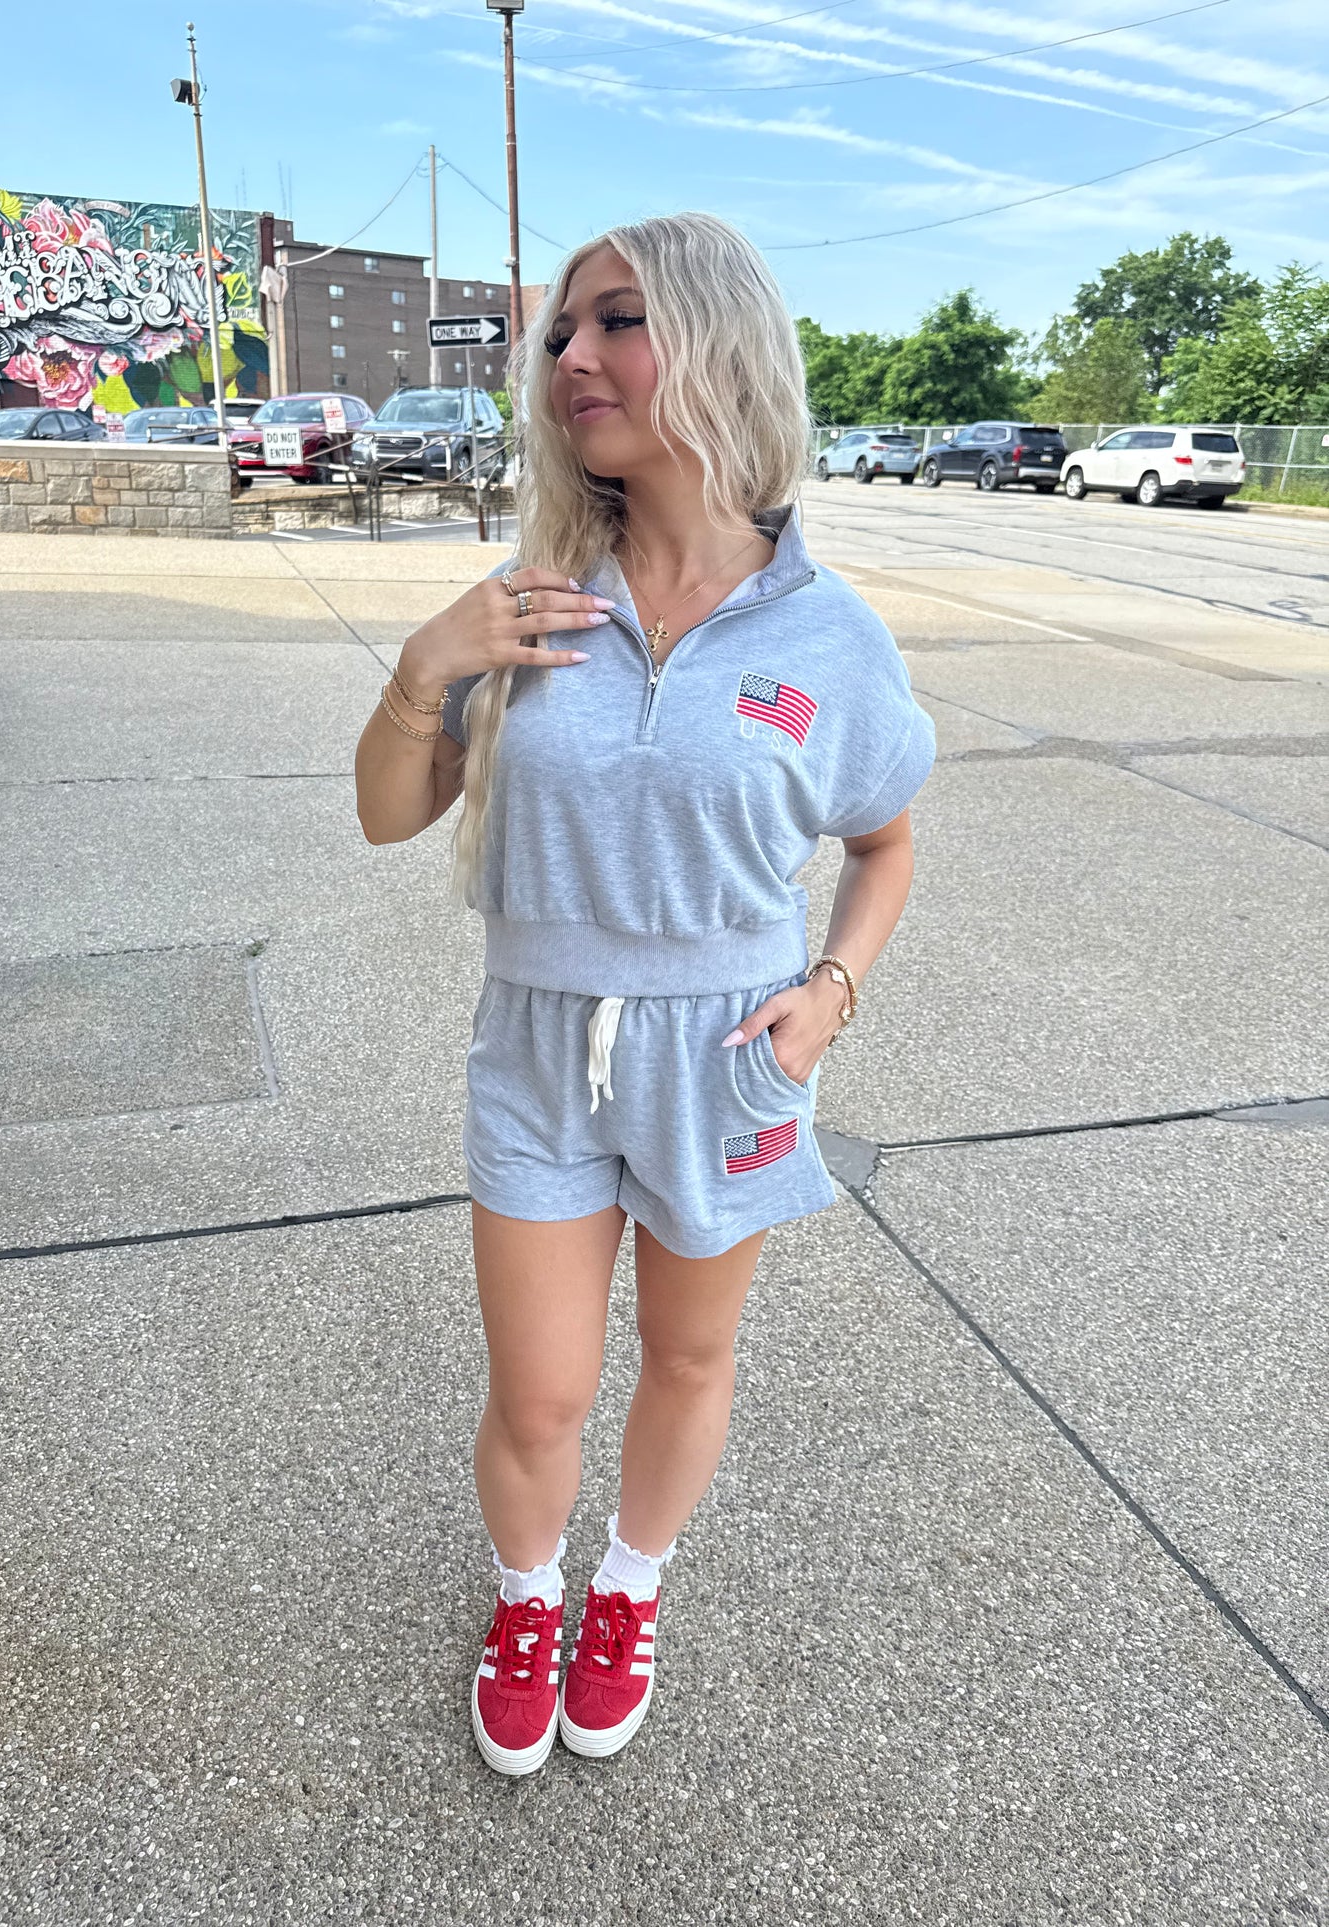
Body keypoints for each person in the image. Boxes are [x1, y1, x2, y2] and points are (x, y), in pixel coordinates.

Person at [353, 211, 936, 1776]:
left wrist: (830, 990)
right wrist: (422, 670)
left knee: (685, 1358)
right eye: (559, 332)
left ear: (720, 342)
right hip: (539, 1044)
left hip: (727, 1052)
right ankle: (526, 1597)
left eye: (615, 320)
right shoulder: (533, 597)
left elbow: (882, 842)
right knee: (539, 1393)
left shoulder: (830, 636)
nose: (572, 357)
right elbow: (388, 814)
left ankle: (627, 1588)